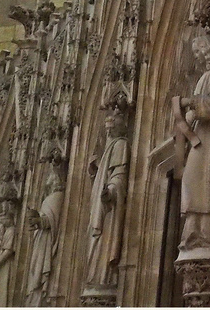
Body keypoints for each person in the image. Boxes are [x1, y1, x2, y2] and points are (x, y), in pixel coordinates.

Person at [171, 33, 210, 252]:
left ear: (208, 50)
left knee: (201, 181)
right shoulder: (205, 77)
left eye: (198, 51)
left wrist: (190, 103)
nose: (196, 56)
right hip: (200, 135)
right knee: (191, 181)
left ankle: (206, 233)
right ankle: (194, 230)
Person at [86, 108, 130, 291]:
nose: (108, 132)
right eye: (107, 129)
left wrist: (110, 192)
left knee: (102, 243)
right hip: (103, 207)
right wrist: (95, 173)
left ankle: (104, 281)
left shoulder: (120, 145)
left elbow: (118, 178)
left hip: (109, 208)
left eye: (110, 128)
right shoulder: (110, 148)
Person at [25, 168, 64, 304]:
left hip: (47, 240)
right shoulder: (49, 198)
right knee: (36, 269)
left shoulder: (57, 196)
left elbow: (52, 220)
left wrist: (38, 221)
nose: (46, 181)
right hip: (41, 238)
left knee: (40, 271)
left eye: (49, 178)